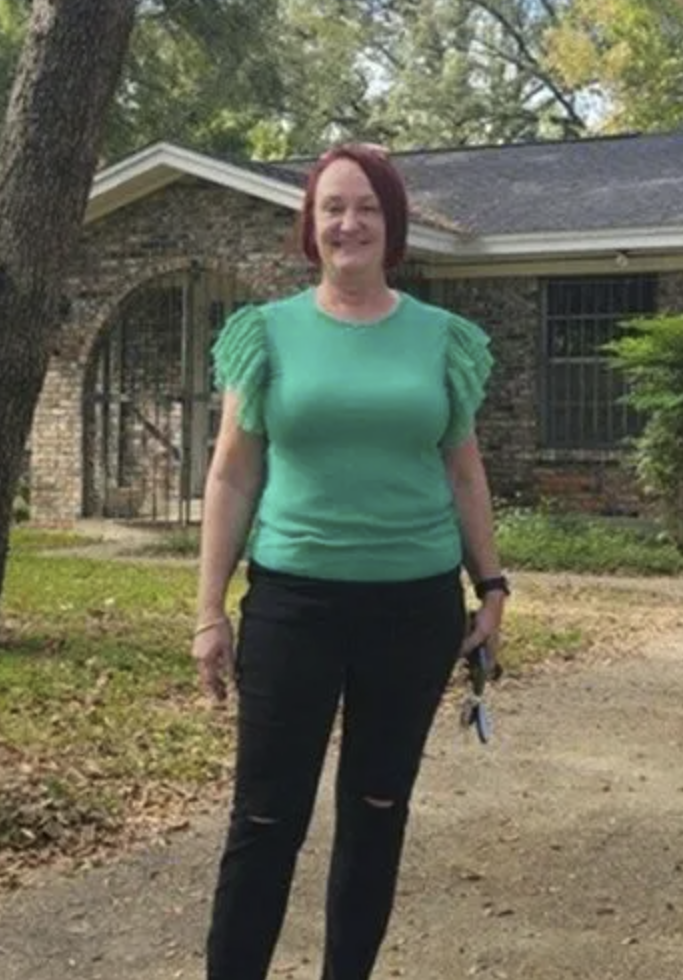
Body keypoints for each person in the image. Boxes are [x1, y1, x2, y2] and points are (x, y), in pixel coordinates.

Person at [191, 142, 509, 980]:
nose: (349, 222)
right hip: (294, 604)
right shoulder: (267, 334)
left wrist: (493, 588)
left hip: (413, 610)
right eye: (332, 206)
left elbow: (462, 467)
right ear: (310, 226)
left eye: (367, 206)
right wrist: (209, 612)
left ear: (392, 224)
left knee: (377, 810)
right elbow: (232, 474)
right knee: (264, 819)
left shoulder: (442, 339)